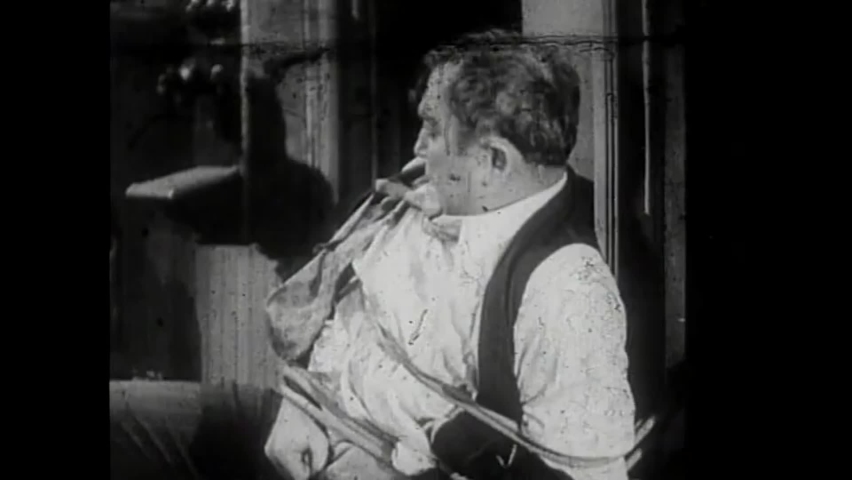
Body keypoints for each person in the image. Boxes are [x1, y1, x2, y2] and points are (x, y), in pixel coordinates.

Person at [110, 29, 636, 480]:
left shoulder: (567, 288)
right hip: (304, 422)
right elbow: (336, 319)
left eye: (433, 129)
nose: (418, 147)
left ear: (495, 161)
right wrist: (301, 404)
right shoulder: (436, 191)